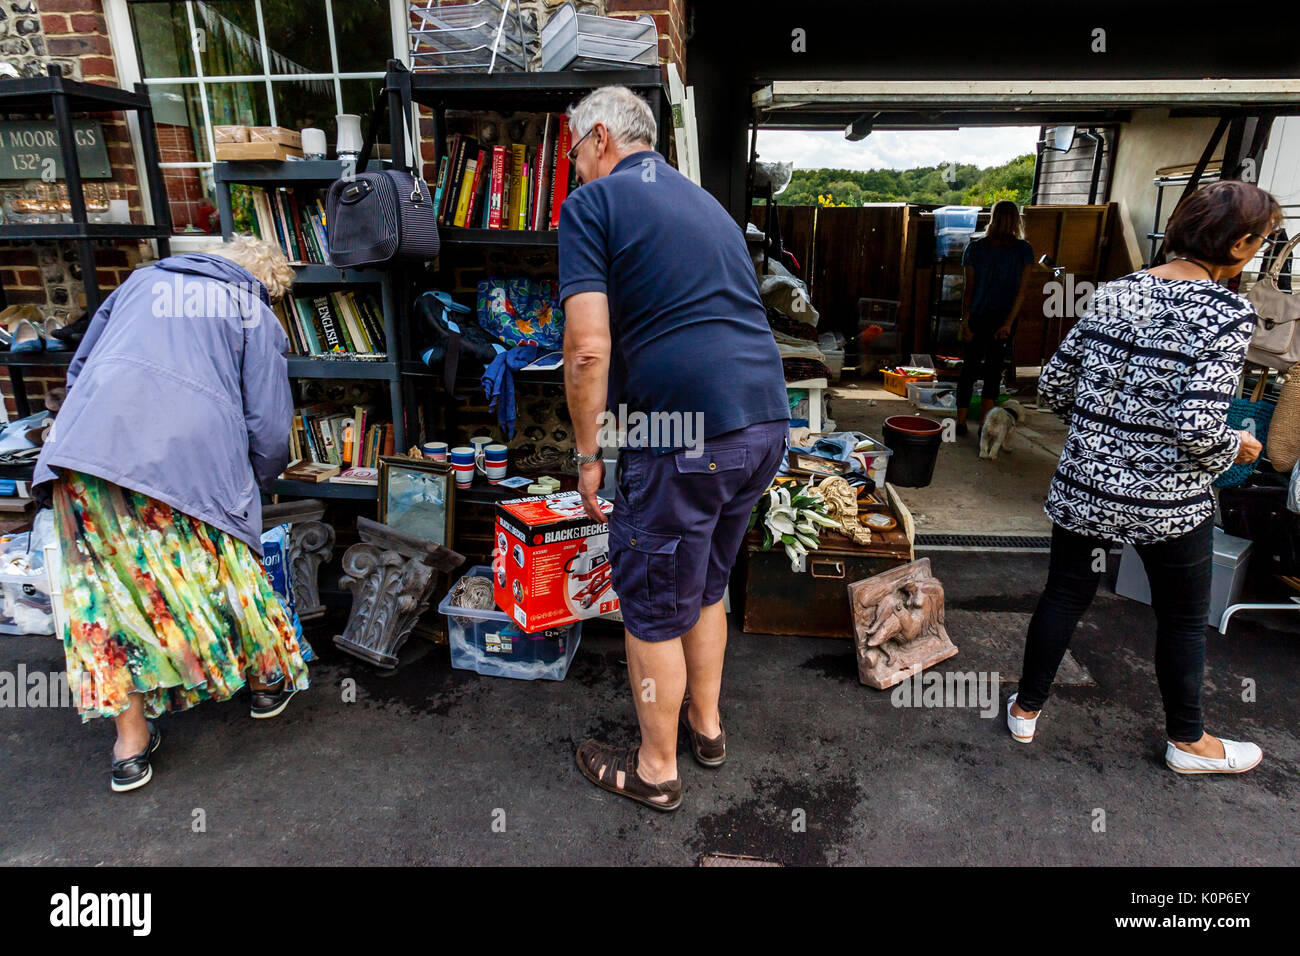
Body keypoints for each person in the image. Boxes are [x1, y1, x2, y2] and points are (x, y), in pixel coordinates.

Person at [559, 86, 790, 811]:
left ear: (599, 137)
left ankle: (657, 769)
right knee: (706, 584)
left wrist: (589, 450)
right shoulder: (705, 203)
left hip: (682, 435)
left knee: (653, 604)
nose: (574, 171)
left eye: (573, 155)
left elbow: (588, 350)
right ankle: (707, 727)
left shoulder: (591, 207)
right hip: (761, 423)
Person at [1008, 181, 1280, 775]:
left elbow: (1054, 383)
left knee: (1063, 595)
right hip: (1167, 501)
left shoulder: (1116, 293)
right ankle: (1188, 743)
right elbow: (1198, 426)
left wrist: (1105, 432)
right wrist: (1239, 445)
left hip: (1085, 488)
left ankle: (1026, 710)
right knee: (1181, 619)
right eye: (1261, 241)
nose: (1258, 251)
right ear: (1238, 243)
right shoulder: (1226, 311)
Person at [32, 236, 306, 793]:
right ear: (267, 285)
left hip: (86, 457)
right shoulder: (250, 309)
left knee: (102, 600)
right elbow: (270, 424)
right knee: (224, 571)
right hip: (187, 462)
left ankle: (130, 744)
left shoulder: (140, 283)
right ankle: (263, 683)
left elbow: (80, 368)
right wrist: (257, 477)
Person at [956, 200, 1034, 436]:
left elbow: (968, 289)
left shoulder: (975, 248)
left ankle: (959, 422)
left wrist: (965, 321)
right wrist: (1009, 323)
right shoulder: (1024, 250)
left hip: (978, 315)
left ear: (992, 217)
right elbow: (1022, 291)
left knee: (968, 369)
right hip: (1004, 318)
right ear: (1016, 220)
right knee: (993, 370)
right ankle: (984, 424)